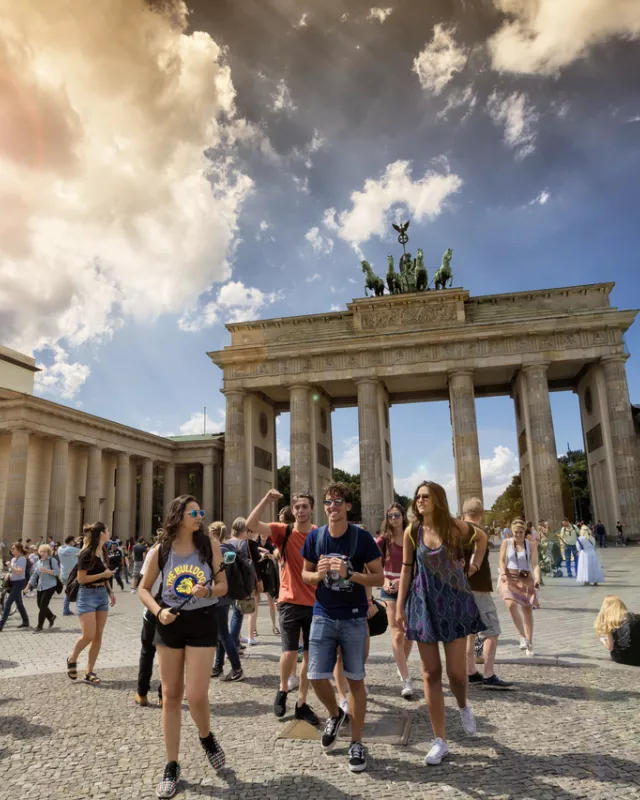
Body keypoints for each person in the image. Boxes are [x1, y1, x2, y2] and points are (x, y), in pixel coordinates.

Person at [138, 494, 228, 799]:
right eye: (194, 512)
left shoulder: (209, 545)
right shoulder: (159, 550)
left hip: (202, 620)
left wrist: (208, 590)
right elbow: (143, 588)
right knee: (171, 695)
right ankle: (172, 765)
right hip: (170, 622)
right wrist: (157, 610)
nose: (199, 516)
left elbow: (223, 586)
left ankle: (206, 736)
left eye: (201, 511)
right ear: (178, 516)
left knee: (197, 694)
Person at [396, 482, 486, 767]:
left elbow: (481, 538)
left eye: (426, 496)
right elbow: (406, 568)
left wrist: (472, 567)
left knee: (457, 675)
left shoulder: (455, 527)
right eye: (418, 497)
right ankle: (440, 740)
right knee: (430, 673)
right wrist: (399, 606)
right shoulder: (412, 530)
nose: (420, 500)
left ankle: (463, 706)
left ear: (437, 500)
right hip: (424, 604)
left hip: (454, 602)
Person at [301, 482, 383, 773]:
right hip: (322, 613)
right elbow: (305, 573)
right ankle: (335, 714)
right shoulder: (316, 537)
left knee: (356, 681)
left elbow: (380, 578)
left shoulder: (361, 539)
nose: (332, 507)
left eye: (338, 501)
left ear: (348, 506)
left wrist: (353, 574)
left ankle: (357, 742)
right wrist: (316, 576)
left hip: (354, 617)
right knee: (314, 675)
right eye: (328, 502)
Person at [247, 489, 320, 725]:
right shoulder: (283, 530)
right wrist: (266, 499)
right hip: (289, 600)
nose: (300, 510)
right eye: (296, 507)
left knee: (309, 656)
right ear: (292, 510)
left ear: (311, 509)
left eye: (304, 506)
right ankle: (282, 688)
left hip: (315, 603)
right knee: (289, 652)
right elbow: (251, 524)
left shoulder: (320, 534)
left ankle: (301, 702)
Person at [463, 499, 513, 690]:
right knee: (491, 631)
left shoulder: (457, 533)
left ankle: (470, 671)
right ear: (481, 513)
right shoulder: (479, 532)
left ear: (464, 512)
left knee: (469, 632)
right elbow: (474, 564)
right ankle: (489, 674)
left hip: (461, 589)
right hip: (478, 588)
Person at [66, 522, 116, 684]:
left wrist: (110, 591)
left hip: (101, 594)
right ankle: (72, 658)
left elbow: (104, 574)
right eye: (107, 530)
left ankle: (89, 671)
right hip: (87, 594)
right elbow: (81, 579)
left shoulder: (103, 551)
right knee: (88, 635)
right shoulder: (86, 553)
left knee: (98, 635)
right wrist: (104, 574)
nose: (109, 533)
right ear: (101, 533)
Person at [375, 502, 414, 698]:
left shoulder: (412, 536)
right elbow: (373, 565)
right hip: (389, 590)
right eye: (390, 516)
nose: (393, 519)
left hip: (408, 588)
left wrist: (402, 581)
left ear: (402, 516)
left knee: (409, 633)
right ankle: (406, 679)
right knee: (398, 633)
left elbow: (417, 565)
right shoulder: (383, 540)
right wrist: (384, 581)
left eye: (396, 515)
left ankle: (402, 664)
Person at [499, 519, 540, 657]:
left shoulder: (531, 545)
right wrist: (503, 573)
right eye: (515, 532)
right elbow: (502, 560)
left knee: (527, 612)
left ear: (524, 532)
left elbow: (534, 564)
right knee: (510, 605)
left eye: (521, 532)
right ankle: (522, 636)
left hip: (525, 577)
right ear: (512, 531)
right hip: (509, 577)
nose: (518, 535)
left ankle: (530, 642)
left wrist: (537, 578)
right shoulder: (506, 543)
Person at [209, 521, 244, 682]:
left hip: (219, 596)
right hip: (226, 595)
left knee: (223, 633)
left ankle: (236, 668)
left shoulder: (220, 551)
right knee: (220, 633)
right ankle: (217, 666)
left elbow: (215, 575)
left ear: (214, 534)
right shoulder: (229, 548)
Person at [134, 544, 163, 707]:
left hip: (153, 608)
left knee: (147, 651)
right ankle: (163, 696)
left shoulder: (155, 551)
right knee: (169, 654)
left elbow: (144, 583)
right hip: (173, 609)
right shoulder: (186, 551)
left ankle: (142, 693)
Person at [595, 596, 640, 667]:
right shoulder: (637, 618)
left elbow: (610, 647)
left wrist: (603, 640)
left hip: (621, 657)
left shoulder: (610, 622)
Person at [25, 544, 60, 633]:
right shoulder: (39, 562)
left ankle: (39, 626)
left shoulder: (52, 560)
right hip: (40, 586)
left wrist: (47, 570)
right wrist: (28, 586)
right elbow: (34, 575)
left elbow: (57, 572)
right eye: (41, 551)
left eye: (45, 551)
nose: (43, 553)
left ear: (48, 552)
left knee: (43, 605)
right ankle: (51, 617)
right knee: (39, 604)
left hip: (50, 586)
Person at [0, 542, 30, 630]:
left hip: (19, 583)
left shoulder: (22, 559)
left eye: (13, 548)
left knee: (8, 603)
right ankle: (26, 621)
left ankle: (1, 624)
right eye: (12, 548)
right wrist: (8, 574)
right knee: (19, 603)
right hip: (13, 582)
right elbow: (12, 571)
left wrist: (10, 566)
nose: (11, 550)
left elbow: (19, 572)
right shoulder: (13, 559)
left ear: (19, 550)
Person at [58, 535, 81, 615]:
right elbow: (84, 551)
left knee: (68, 591)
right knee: (78, 591)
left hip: (63, 574)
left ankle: (66, 609)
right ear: (71, 541)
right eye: (74, 541)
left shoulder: (60, 549)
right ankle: (80, 609)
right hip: (72, 575)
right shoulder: (73, 549)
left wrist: (74, 542)